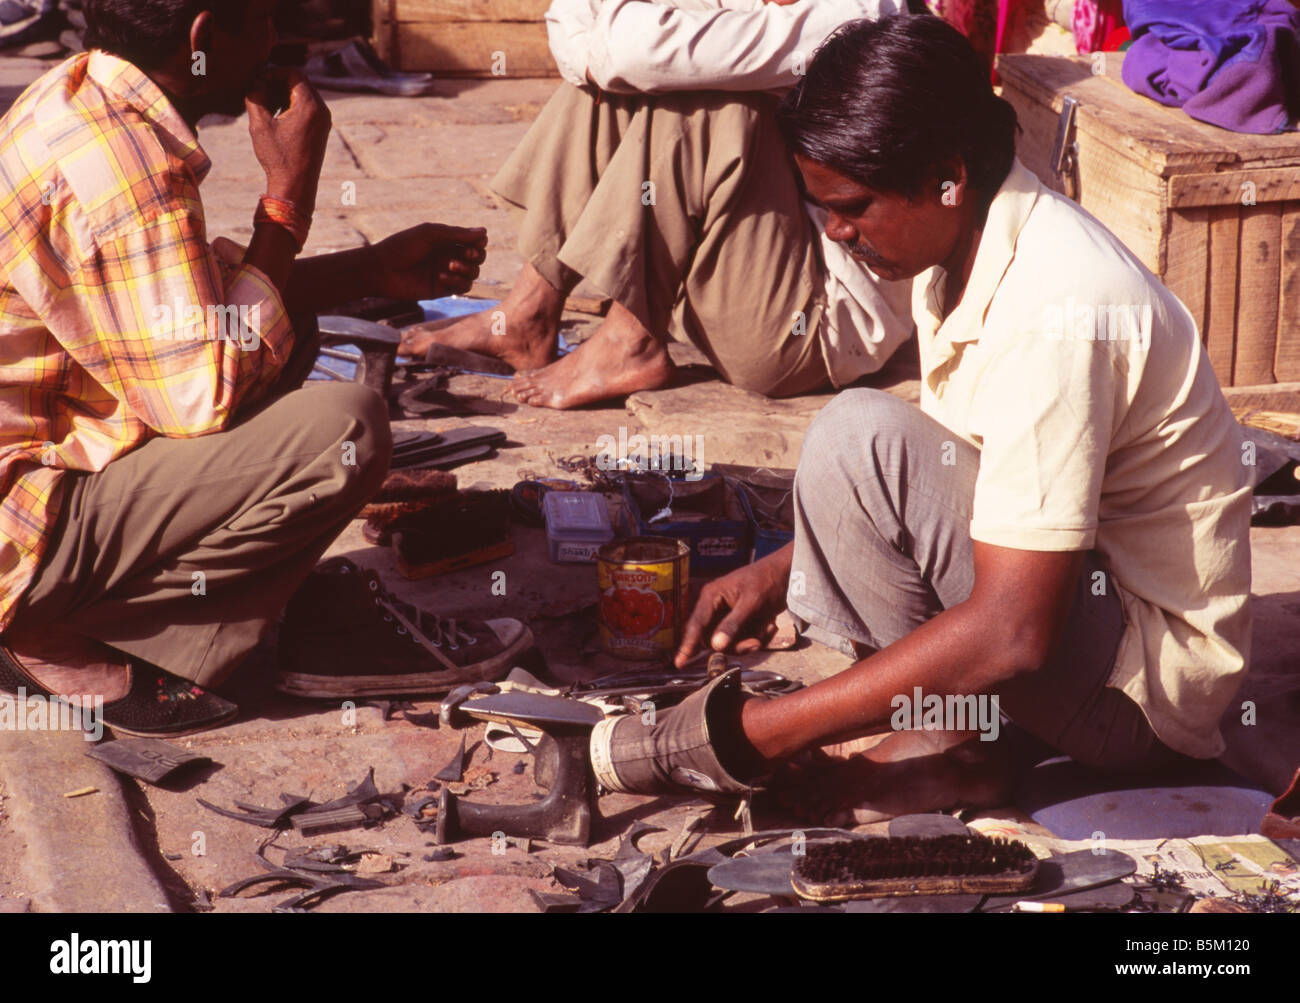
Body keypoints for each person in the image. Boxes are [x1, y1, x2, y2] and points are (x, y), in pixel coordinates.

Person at [588, 14, 1254, 817]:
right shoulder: (960, 251)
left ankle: (957, 741)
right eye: (824, 206)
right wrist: (780, 570)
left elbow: (1014, 630)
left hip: (1137, 704)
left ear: (947, 175)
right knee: (865, 450)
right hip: (1080, 615)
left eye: (853, 206)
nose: (836, 232)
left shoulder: (1058, 304)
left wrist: (762, 730)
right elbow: (967, 475)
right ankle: (960, 746)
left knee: (860, 436)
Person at [0, 0, 533, 737]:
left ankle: (192, 602)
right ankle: (83, 629)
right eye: (264, 21)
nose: (281, 42)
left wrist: (370, 268)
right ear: (203, 37)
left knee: (289, 335)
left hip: (44, 466)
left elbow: (193, 310)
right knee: (343, 429)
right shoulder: (123, 173)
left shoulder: (77, 94)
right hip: (26, 527)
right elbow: (203, 395)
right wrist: (288, 199)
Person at [400, 0, 919, 410]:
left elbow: (627, 49)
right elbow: (572, 24)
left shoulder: (856, 13)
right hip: (732, 289)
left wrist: (620, 40)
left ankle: (632, 341)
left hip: (810, 330)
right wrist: (615, 44)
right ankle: (529, 314)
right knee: (604, 87)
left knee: (705, 99)